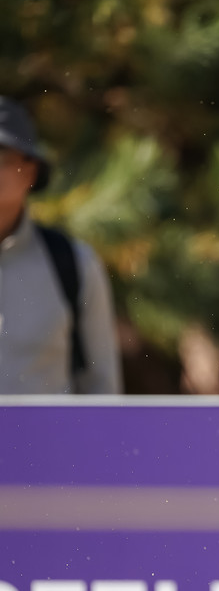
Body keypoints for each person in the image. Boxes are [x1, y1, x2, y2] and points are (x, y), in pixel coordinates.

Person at [0, 96, 122, 395]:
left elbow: (102, 387)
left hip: (50, 430)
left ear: (30, 171)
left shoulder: (74, 264)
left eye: (1, 157)